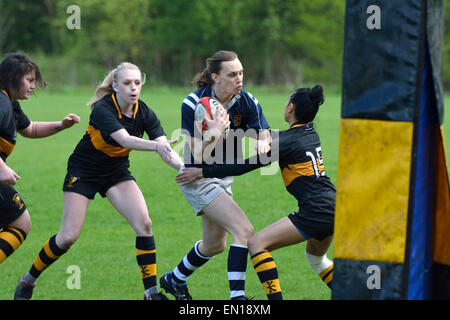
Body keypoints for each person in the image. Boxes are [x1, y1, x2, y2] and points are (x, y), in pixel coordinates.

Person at [14, 62, 183, 300]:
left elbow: (166, 149)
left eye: (137, 83)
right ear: (115, 86)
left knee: (144, 224)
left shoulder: (144, 112)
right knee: (68, 237)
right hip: (84, 171)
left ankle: (151, 293)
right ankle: (28, 280)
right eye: (127, 83)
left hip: (116, 172)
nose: (133, 88)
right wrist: (157, 146)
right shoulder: (103, 108)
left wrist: (186, 168)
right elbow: (125, 140)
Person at [176, 85, 336, 300]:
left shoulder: (286, 142)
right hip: (335, 207)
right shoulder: (309, 133)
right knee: (317, 260)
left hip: (315, 211)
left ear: (290, 108)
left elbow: (242, 166)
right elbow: (271, 137)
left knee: (256, 243)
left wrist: (202, 171)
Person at [159, 50, 272, 300]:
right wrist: (214, 132)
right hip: (198, 178)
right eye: (232, 74)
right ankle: (237, 299)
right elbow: (196, 155)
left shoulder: (247, 101)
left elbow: (263, 132)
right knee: (244, 231)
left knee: (214, 245)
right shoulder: (193, 103)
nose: (239, 78)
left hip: (223, 177)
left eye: (241, 72)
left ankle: (174, 279)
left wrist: (263, 143)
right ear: (215, 77)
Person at [0, 52, 80, 265]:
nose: (33, 85)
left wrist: (61, 125)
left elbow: (30, 129)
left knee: (19, 222)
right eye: (29, 80)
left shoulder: (9, 103)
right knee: (19, 223)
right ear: (11, 78)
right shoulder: (1, 103)